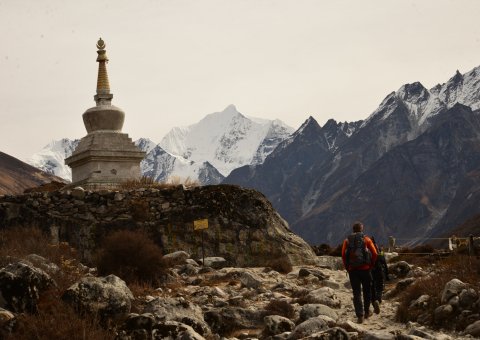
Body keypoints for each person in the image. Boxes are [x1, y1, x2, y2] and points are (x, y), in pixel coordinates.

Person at [342, 221, 378, 324]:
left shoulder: (347, 241)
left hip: (353, 270)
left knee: (356, 293)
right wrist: (371, 265)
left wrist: (348, 268)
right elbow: (375, 253)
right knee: (367, 291)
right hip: (366, 269)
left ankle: (360, 315)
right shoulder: (366, 239)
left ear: (353, 229)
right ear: (362, 229)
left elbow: (344, 256)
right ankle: (367, 312)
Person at [370, 237, 389, 308]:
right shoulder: (379, 250)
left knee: (372, 285)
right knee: (380, 286)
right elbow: (384, 261)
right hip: (380, 270)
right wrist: (387, 273)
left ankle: (373, 300)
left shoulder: (367, 250)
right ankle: (378, 299)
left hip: (371, 270)